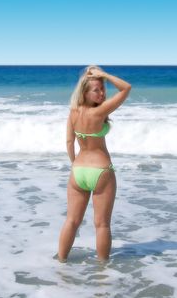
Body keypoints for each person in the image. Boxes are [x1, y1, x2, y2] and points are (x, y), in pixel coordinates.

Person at [57, 65, 131, 262]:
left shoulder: (73, 112)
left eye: (102, 88)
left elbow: (69, 142)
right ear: (85, 92)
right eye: (96, 89)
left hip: (78, 171)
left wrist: (74, 164)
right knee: (102, 225)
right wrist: (104, 74)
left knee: (71, 221)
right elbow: (126, 88)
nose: (102, 92)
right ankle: (103, 272)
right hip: (101, 172)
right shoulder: (99, 113)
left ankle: (61, 263)